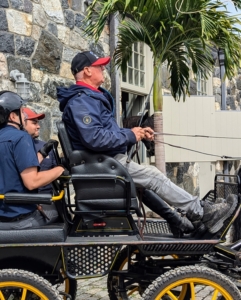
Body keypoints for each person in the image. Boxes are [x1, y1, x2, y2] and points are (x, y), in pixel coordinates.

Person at [57, 51, 237, 236]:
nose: (104, 69)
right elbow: (95, 138)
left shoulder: (88, 99)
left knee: (146, 183)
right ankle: (202, 212)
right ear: (87, 71)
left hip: (106, 161)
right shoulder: (82, 102)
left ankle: (181, 221)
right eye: (99, 66)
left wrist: (137, 133)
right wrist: (130, 136)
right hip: (103, 164)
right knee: (154, 176)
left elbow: (105, 133)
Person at [0, 91, 64, 229]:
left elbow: (11, 169)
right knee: (59, 214)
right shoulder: (21, 137)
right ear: (12, 116)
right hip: (19, 221)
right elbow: (32, 182)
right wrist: (61, 169)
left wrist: (40, 154)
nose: (24, 116)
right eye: (22, 112)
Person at [23, 107, 57, 194]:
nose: (38, 126)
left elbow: (55, 170)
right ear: (22, 123)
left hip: (48, 199)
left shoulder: (45, 146)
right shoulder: (13, 147)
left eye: (38, 122)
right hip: (25, 199)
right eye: (34, 123)